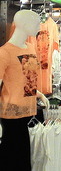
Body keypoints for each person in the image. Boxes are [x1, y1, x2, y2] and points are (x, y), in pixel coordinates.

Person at [0, 10, 49, 171]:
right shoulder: (4, 53)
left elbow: (28, 79)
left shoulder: (30, 48)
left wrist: (39, 94)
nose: (39, 27)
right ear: (25, 25)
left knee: (24, 158)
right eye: (36, 23)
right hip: (11, 114)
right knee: (11, 159)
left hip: (29, 112)